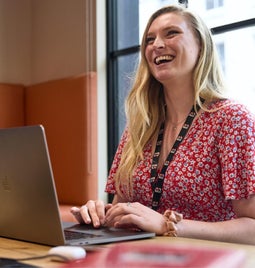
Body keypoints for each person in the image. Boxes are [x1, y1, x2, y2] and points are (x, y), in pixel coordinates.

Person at [71, 5, 255, 245]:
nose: (156, 44)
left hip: (202, 260)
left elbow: (252, 226)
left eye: (171, 33)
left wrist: (167, 224)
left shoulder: (231, 119)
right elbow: (121, 210)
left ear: (201, 45)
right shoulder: (140, 125)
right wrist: (98, 215)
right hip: (135, 258)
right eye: (149, 39)